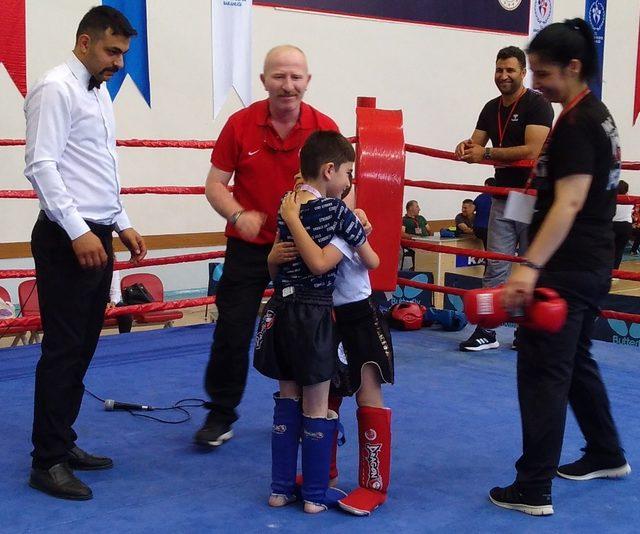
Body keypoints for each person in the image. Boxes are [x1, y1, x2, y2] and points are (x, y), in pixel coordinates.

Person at [488, 19, 630, 516]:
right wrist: (518, 228)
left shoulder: (577, 124)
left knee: (543, 368)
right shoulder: (587, 115)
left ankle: (533, 487)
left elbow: (568, 203)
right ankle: (607, 452)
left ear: (574, 68)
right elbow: (544, 191)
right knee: (575, 361)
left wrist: (526, 266)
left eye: (543, 73)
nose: (536, 82)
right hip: (586, 262)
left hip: (568, 266)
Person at [24, 6, 147, 500]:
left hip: (95, 233)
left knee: (82, 348)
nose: (118, 62)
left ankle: (62, 441)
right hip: (66, 237)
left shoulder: (97, 92)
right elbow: (42, 166)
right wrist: (77, 230)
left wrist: (122, 222)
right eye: (111, 50)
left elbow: (97, 168)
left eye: (122, 53)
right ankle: (47, 460)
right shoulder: (57, 87)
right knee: (63, 349)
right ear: (84, 42)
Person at [196, 45, 338, 447]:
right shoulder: (240, 125)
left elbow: (343, 188)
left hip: (305, 247)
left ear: (307, 81)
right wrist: (239, 215)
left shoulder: (324, 128)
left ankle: (314, 411)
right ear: (263, 81)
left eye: (296, 76)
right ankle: (220, 414)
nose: (288, 85)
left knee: (311, 330)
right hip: (249, 246)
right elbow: (214, 184)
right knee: (231, 329)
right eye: (279, 76)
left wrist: (349, 222)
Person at [254, 131, 378, 513]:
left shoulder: (285, 205)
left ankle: (279, 490)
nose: (348, 182)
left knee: (286, 398)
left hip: (280, 310)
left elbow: (276, 267)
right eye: (347, 174)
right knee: (316, 404)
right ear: (329, 170)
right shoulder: (337, 211)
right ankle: (313, 496)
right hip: (315, 313)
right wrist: (362, 231)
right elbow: (370, 261)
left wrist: (291, 221)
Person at [455, 46, 553, 352]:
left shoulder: (538, 104)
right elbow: (476, 142)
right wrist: (465, 147)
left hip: (530, 195)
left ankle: (529, 330)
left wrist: (484, 153)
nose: (504, 76)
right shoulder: (490, 107)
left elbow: (532, 150)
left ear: (523, 73)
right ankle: (488, 329)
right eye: (499, 70)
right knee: (496, 264)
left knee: (529, 262)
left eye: (510, 70)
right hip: (501, 194)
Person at [612, 180, 632, 270]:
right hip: (626, 226)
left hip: (613, 225)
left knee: (607, 250)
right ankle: (615, 273)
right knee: (619, 251)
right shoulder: (630, 199)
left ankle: (606, 272)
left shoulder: (612, 199)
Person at [107, 268, 133, 334]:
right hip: (90, 300)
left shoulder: (112, 262)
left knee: (126, 314)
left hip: (109, 300)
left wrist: (113, 302)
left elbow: (115, 289)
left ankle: (125, 339)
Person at [473, 178, 495, 250]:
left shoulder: (480, 197)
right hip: (492, 228)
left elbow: (471, 210)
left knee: (487, 248)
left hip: (478, 228)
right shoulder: (496, 198)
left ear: (486, 185)